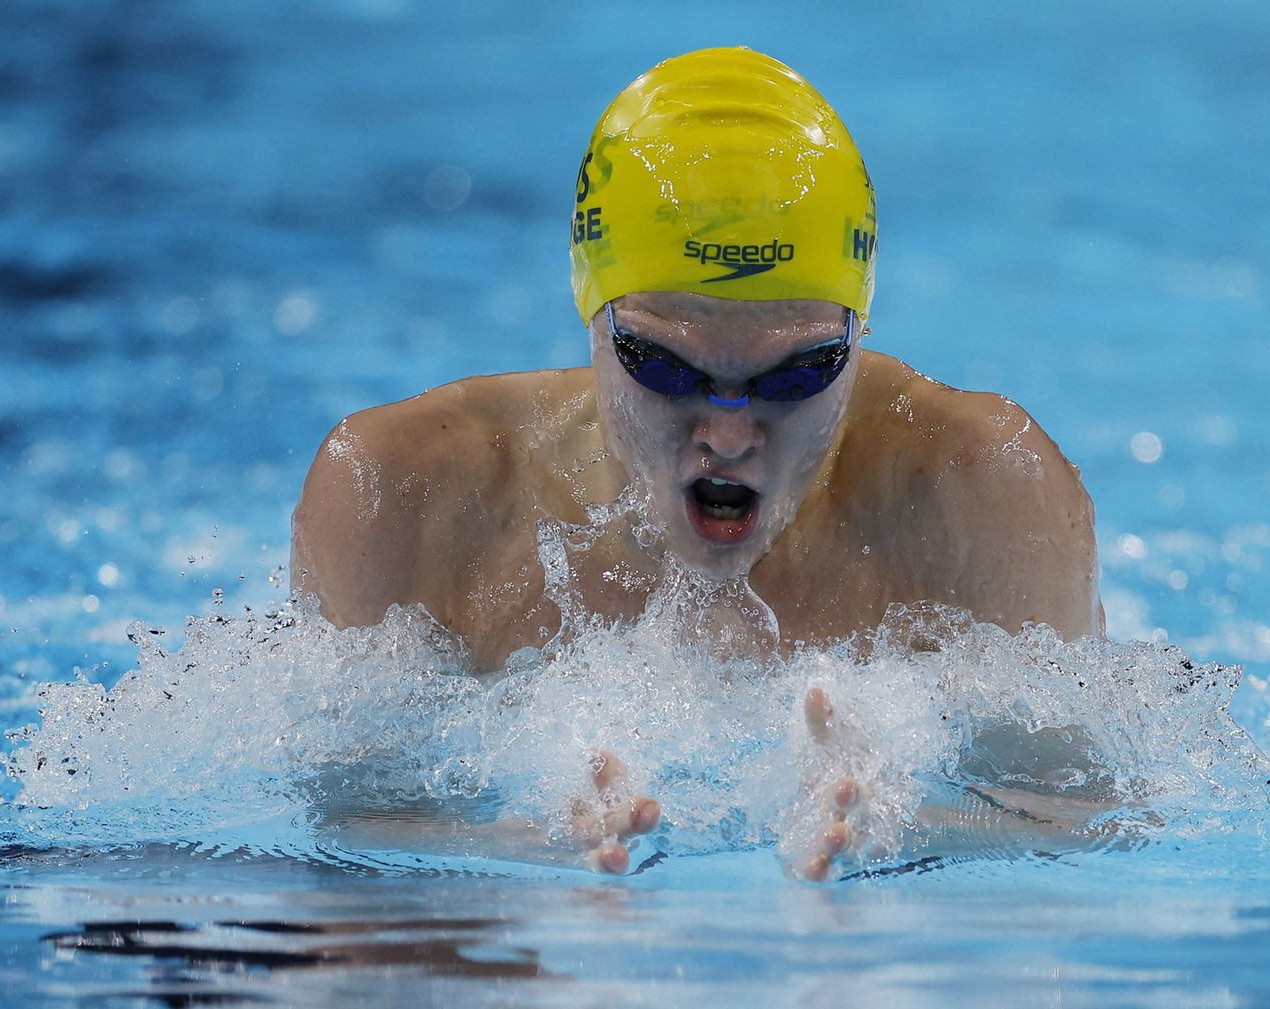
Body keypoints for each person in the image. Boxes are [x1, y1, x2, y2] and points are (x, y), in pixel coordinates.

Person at [291, 47, 1104, 879]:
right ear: (591, 313)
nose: (726, 432)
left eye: (796, 372)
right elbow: (336, 829)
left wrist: (915, 823)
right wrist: (509, 852)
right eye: (665, 366)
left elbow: (1092, 823)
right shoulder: (404, 492)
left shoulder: (984, 489)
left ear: (860, 334)